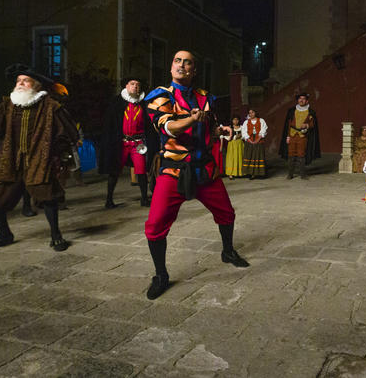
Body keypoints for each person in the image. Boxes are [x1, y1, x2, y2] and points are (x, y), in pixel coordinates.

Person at [143, 50, 249, 300]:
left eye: (187, 62)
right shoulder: (159, 96)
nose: (181, 65)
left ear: (194, 70)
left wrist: (220, 129)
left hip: (205, 168)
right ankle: (161, 275)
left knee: (226, 213)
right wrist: (190, 120)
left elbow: (210, 125)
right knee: (155, 224)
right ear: (171, 68)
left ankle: (227, 251)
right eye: (177, 61)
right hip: (174, 169)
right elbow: (168, 127)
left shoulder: (205, 97)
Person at [0, 66, 78, 251]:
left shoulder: (51, 106)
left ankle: (56, 236)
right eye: (18, 81)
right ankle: (5, 234)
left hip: (39, 160)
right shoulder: (8, 105)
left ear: (36, 86)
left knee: (48, 197)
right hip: (11, 159)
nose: (20, 84)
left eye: (25, 80)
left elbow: (67, 133)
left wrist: (58, 156)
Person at [99, 77, 158, 208]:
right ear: (126, 86)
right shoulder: (116, 103)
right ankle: (109, 200)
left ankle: (144, 199)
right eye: (132, 84)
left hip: (138, 144)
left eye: (138, 84)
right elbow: (109, 125)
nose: (135, 87)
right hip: (121, 143)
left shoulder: (145, 104)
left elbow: (150, 125)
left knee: (141, 171)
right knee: (114, 171)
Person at [279, 92, 321, 179]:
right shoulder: (291, 110)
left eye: (303, 99)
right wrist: (287, 136)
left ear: (306, 101)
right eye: (300, 99)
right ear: (297, 100)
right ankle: (290, 174)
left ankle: (302, 174)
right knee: (291, 154)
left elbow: (313, 124)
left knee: (301, 154)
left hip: (302, 136)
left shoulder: (310, 112)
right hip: (292, 134)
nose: (301, 100)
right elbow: (288, 124)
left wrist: (307, 125)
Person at [241, 108, 268, 178]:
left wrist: (257, 140)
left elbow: (264, 130)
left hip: (259, 142)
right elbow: (244, 132)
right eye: (249, 113)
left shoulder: (261, 120)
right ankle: (251, 173)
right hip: (249, 142)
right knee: (250, 156)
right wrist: (250, 141)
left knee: (258, 156)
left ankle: (259, 173)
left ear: (255, 113)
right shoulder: (246, 122)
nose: (251, 114)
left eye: (252, 112)